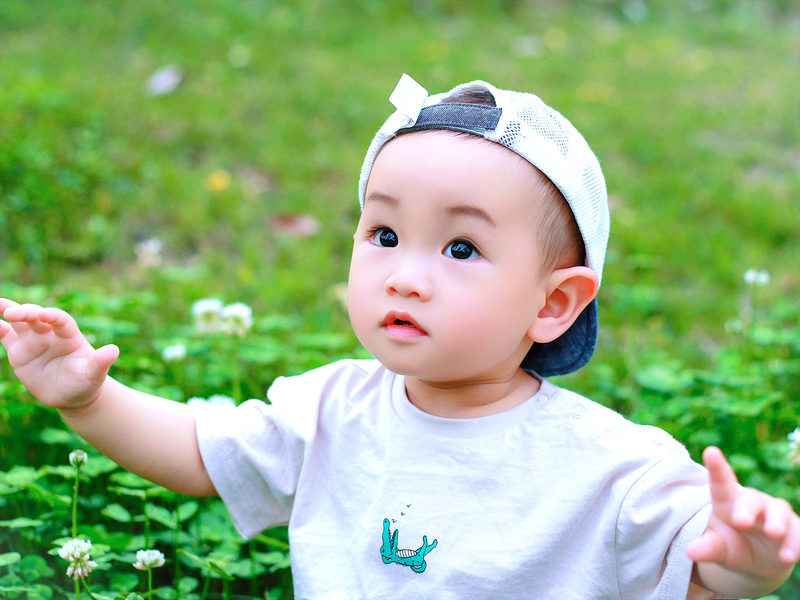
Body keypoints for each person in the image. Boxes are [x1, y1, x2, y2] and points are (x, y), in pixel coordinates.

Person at [1, 74, 798, 599]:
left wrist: (748, 559)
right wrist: (89, 399)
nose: (406, 276)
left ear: (554, 303)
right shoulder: (330, 410)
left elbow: (699, 568)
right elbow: (201, 454)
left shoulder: (614, 469)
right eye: (384, 234)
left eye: (461, 248)